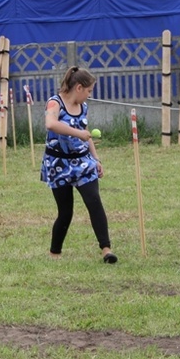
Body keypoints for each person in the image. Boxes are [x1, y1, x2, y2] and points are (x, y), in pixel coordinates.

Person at [41, 66, 116, 263]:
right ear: (79, 88)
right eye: (89, 91)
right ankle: (54, 252)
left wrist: (96, 158)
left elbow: (86, 132)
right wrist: (78, 133)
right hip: (58, 163)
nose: (90, 95)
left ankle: (106, 250)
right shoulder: (54, 103)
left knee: (94, 201)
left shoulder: (83, 107)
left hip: (83, 162)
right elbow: (51, 124)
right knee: (65, 212)